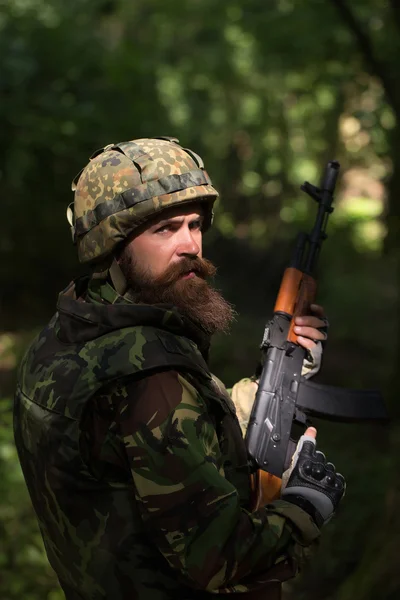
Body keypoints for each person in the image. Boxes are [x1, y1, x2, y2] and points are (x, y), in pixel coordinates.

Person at [13, 137, 345, 600]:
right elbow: (219, 558)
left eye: (195, 224)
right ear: (112, 244)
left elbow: (167, 441)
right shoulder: (150, 376)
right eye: (165, 229)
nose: (190, 244)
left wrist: (279, 380)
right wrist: (306, 504)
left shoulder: (68, 331)